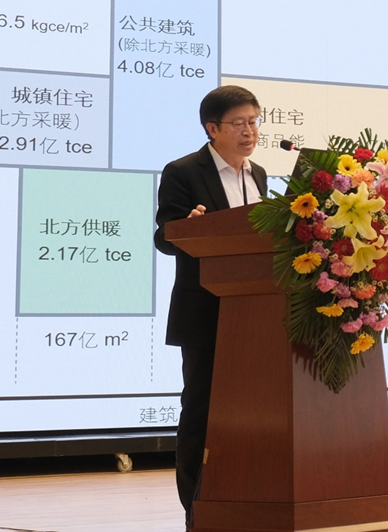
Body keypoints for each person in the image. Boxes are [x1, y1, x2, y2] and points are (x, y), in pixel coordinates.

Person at [153, 85, 268, 529]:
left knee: (253, 415)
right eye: (238, 123)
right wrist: (188, 228)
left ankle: (244, 500)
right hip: (204, 313)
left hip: (254, 316)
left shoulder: (258, 175)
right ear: (212, 128)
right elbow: (164, 237)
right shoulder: (183, 171)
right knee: (200, 412)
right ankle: (196, 509)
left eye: (253, 121)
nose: (249, 131)